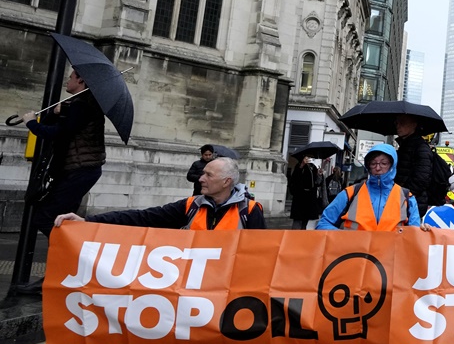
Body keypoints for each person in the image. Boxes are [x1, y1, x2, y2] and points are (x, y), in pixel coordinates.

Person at [54, 157, 265, 230]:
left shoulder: (250, 211)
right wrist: (87, 221)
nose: (201, 178)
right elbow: (142, 217)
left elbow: (261, 258)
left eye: (208, 175)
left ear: (226, 181)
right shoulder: (191, 205)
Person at [22, 68, 107, 237]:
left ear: (81, 80)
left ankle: (72, 252)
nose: (67, 81)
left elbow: (59, 133)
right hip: (78, 170)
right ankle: (71, 254)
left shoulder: (82, 106)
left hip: (80, 171)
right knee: (64, 218)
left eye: (70, 77)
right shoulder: (80, 104)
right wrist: (53, 113)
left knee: (45, 217)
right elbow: (57, 127)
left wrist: (32, 124)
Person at [318, 144, 419, 230]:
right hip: (353, 252)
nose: (378, 168)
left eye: (383, 163)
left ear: (392, 165)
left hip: (391, 253)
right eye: (373, 163)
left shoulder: (407, 198)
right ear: (368, 165)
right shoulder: (350, 194)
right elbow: (323, 224)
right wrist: (345, 239)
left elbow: (415, 234)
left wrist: (426, 230)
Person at [393, 114, 433, 215]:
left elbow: (421, 179)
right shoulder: (405, 145)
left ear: (414, 125)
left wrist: (402, 194)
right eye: (397, 122)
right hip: (403, 202)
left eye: (402, 122)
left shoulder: (420, 147)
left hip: (412, 204)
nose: (398, 126)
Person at [287, 156, 325, 229]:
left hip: (309, 198)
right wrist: (301, 165)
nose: (308, 159)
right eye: (307, 157)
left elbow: (316, 183)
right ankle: (294, 236)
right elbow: (295, 178)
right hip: (300, 197)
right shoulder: (299, 166)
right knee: (298, 220)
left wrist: (319, 175)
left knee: (306, 221)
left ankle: (302, 235)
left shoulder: (313, 167)